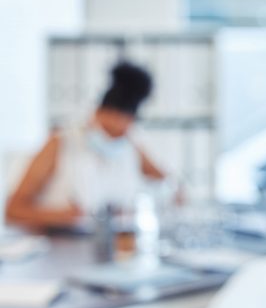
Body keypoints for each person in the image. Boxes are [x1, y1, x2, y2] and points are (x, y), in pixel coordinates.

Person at [6, 61, 168, 229]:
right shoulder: (60, 142)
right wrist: (60, 216)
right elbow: (13, 210)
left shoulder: (131, 145)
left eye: (120, 133)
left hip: (110, 247)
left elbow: (166, 181)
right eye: (107, 129)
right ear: (96, 114)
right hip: (61, 246)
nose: (112, 138)